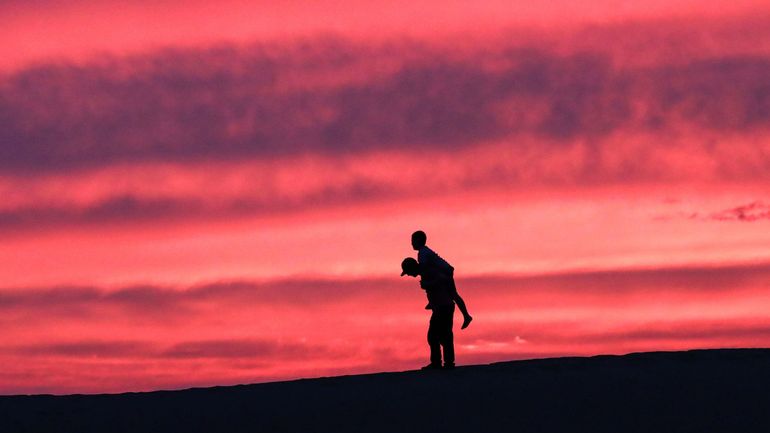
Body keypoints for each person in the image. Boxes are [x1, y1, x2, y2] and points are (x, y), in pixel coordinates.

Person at [401, 257, 465, 370]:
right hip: (440, 306)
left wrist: (428, 284)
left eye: (408, 272)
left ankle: (443, 363)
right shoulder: (424, 271)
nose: (409, 275)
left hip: (444, 306)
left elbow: (441, 279)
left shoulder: (426, 270)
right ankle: (444, 362)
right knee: (439, 336)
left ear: (412, 268)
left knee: (438, 336)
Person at [411, 230, 472, 329]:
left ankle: (466, 316)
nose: (411, 243)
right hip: (444, 271)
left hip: (445, 272)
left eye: (413, 240)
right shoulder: (424, 251)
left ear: (418, 241)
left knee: (453, 294)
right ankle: (466, 315)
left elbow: (423, 268)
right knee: (452, 294)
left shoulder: (422, 252)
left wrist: (425, 282)